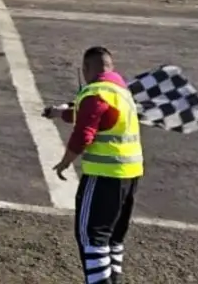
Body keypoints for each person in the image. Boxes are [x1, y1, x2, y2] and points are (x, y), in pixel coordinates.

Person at [45, 46, 143, 284]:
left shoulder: (96, 92)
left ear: (86, 69)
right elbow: (93, 115)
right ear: (110, 66)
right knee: (113, 238)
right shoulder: (121, 92)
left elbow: (84, 132)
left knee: (91, 238)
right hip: (130, 176)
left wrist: (65, 162)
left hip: (103, 175)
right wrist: (60, 113)